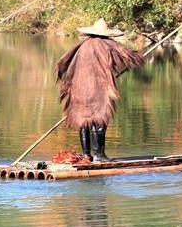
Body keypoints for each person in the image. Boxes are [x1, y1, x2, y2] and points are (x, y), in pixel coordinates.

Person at [56, 19, 145, 162]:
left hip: (78, 89)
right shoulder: (106, 44)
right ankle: (99, 155)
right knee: (99, 119)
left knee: (84, 121)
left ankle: (86, 155)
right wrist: (141, 57)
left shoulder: (82, 46)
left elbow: (62, 63)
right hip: (97, 88)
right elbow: (128, 56)